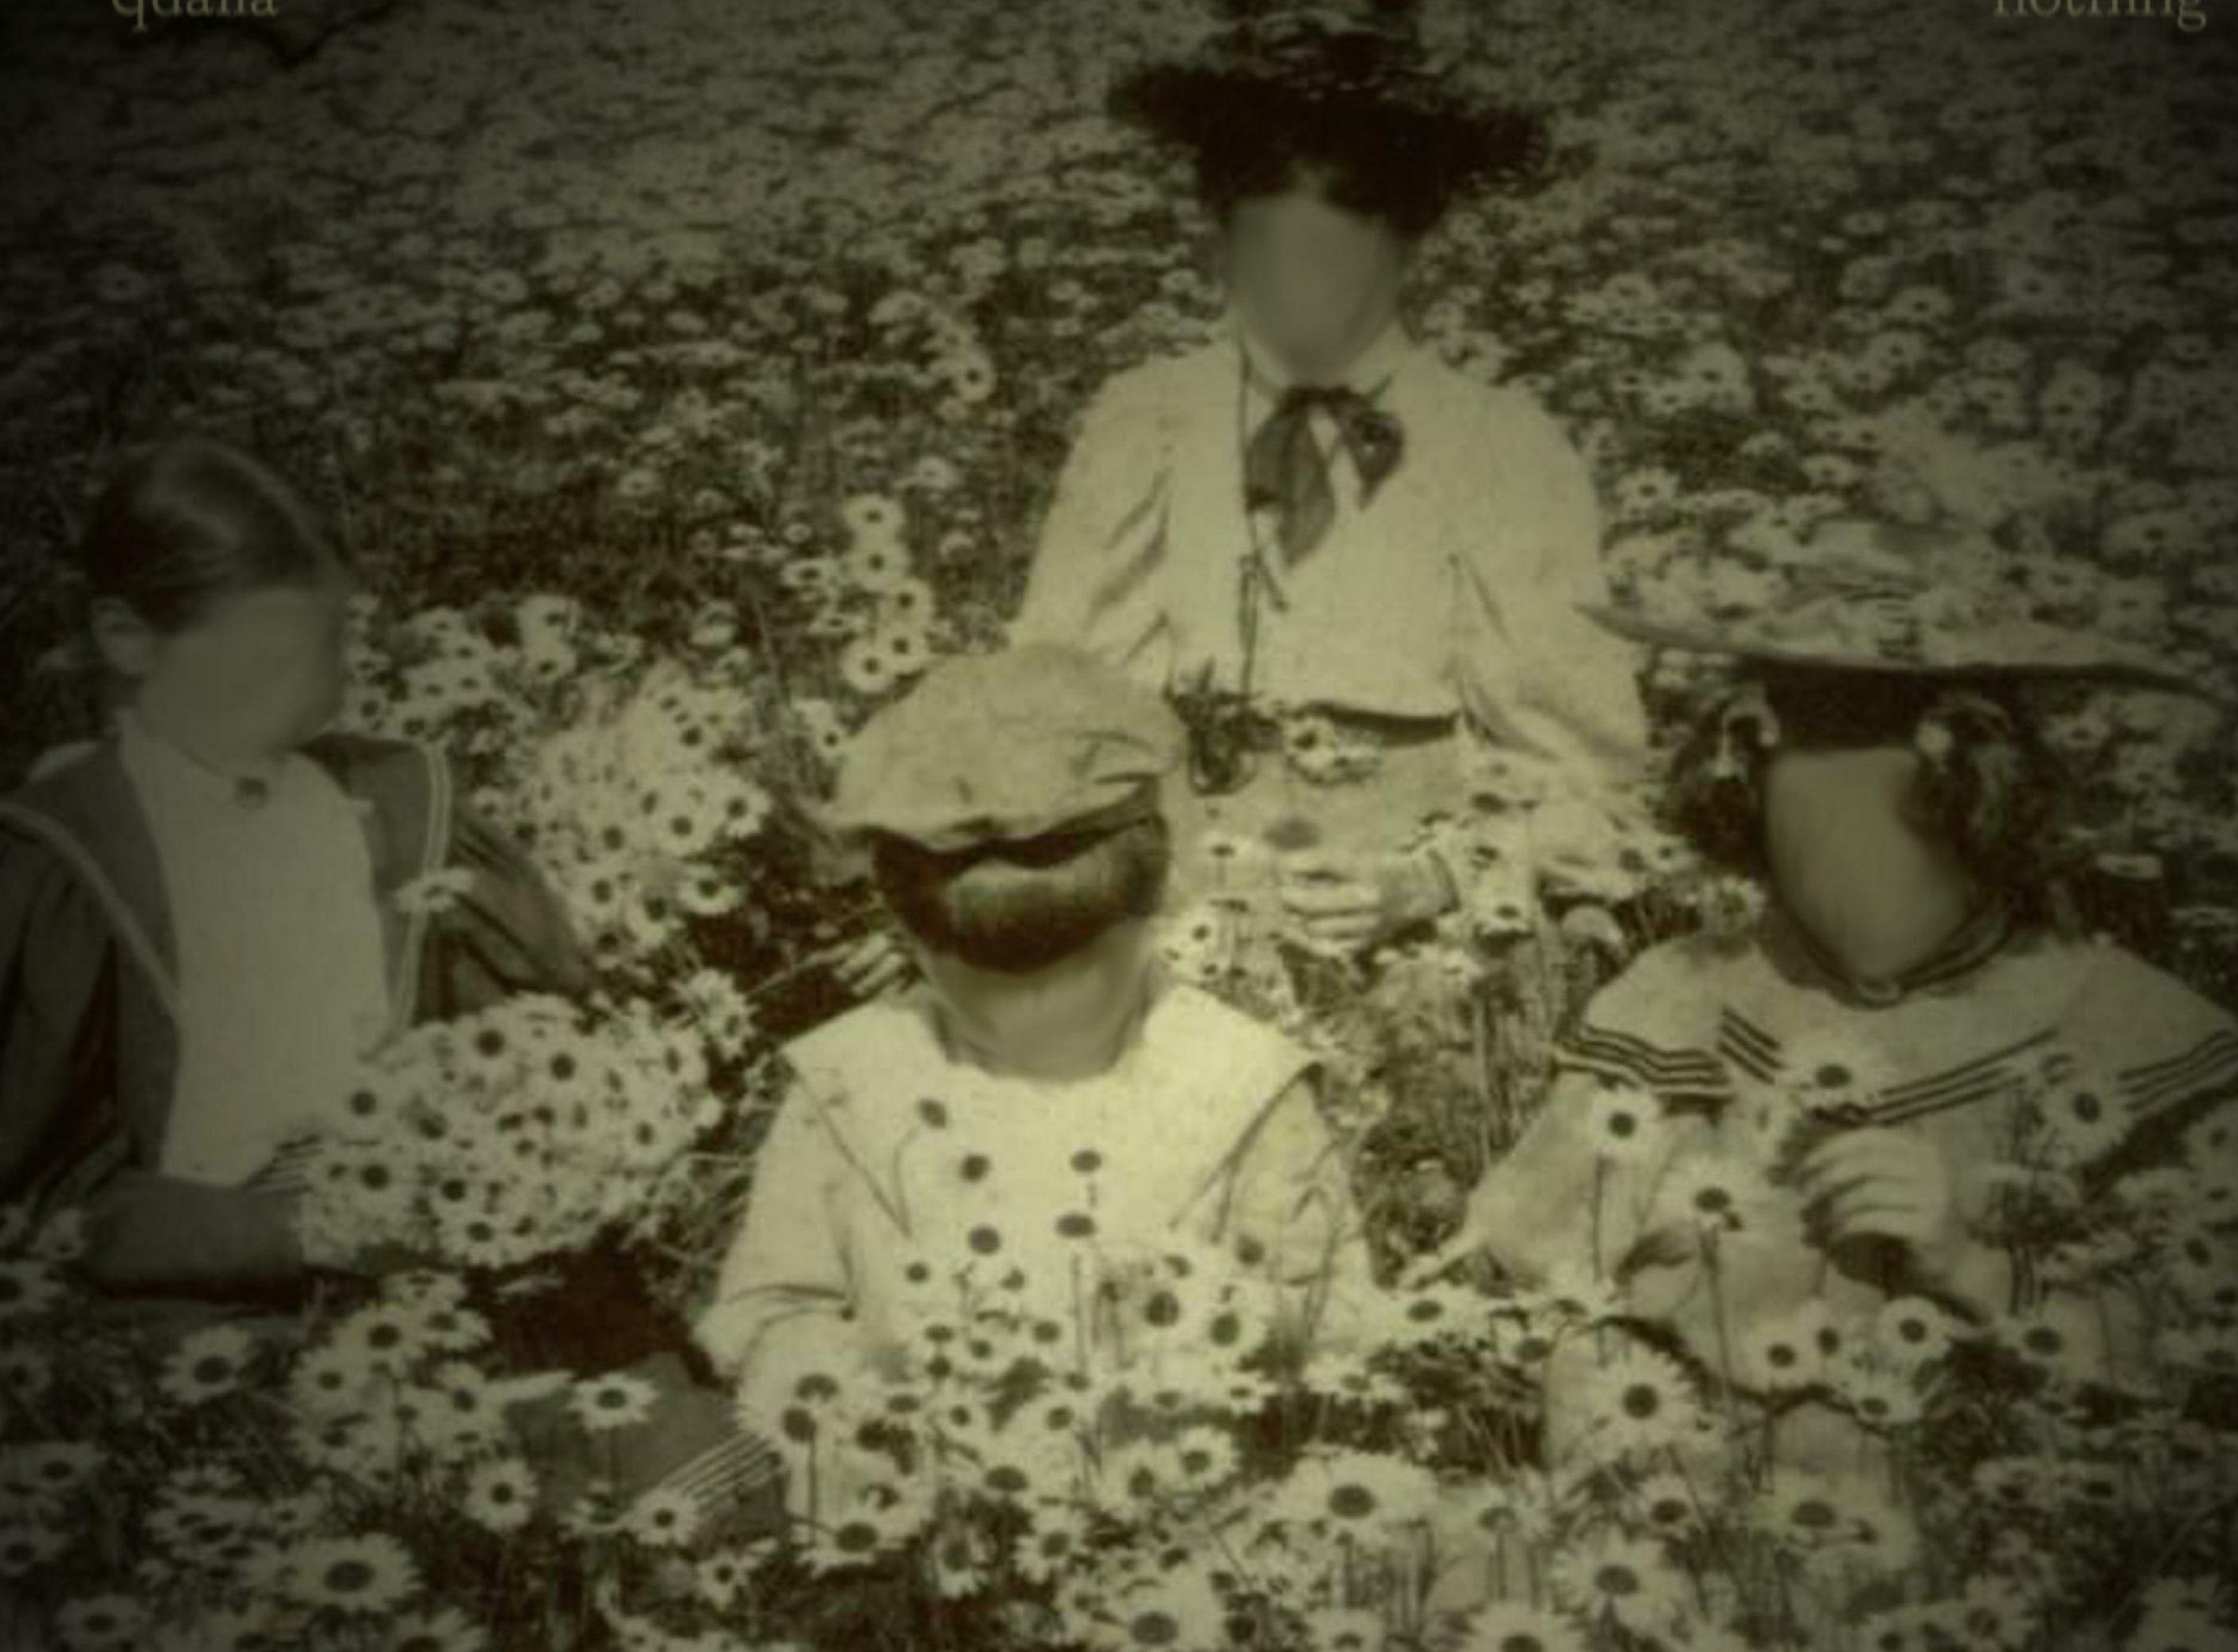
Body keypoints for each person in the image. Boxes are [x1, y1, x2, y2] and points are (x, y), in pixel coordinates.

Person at [0, 434, 770, 1546]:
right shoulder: (73, 857)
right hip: (216, 1296)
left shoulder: (394, 802)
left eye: (331, 647)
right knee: (362, 1511)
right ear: (128, 638)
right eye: (264, 658)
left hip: (458, 1250)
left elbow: (521, 1037)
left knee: (696, 1480)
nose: (315, 686)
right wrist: (310, 1229)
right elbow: (54, 1203)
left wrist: (536, 1150)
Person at [1460, 502, 2238, 1498]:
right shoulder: (1685, 1002)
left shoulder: (2121, 1028)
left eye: (1899, 829)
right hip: (1685, 1513)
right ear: (1747, 771)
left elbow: (2236, 1361)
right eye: (1809, 808)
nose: (1850, 877)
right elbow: (1515, 1275)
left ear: (1987, 794)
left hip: (1997, 1518)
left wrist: (1967, 1261)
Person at [1011, 0, 1652, 964]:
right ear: (1219, 243)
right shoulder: (1151, 422)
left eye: (1336, 257)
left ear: (1409, 247)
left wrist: (1427, 882)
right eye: (1263, 251)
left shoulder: (1499, 445)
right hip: (1179, 923)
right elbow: (1057, 713)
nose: (1298, 293)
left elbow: (1582, 767)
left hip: (1425, 937)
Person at [694, 643, 1377, 1498]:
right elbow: (766, 1308)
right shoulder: (852, 1079)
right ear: (912, 940)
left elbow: (1342, 1315)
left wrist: (1227, 1314)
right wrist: (845, 1381)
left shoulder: (1234, 1076)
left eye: (1077, 981)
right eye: (990, 989)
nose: (1036, 1015)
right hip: (911, 1516)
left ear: (1148, 917)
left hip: (1187, 1514)